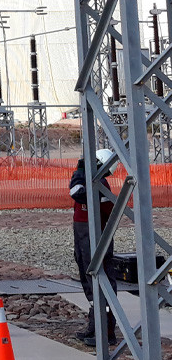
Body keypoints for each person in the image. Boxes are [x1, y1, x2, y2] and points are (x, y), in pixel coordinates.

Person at [69, 147, 118, 346]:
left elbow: (76, 192)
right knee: (88, 279)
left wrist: (80, 172)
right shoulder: (91, 182)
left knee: (101, 279)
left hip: (96, 237)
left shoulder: (99, 185)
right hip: (84, 235)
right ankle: (95, 325)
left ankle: (106, 331)